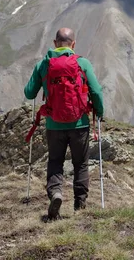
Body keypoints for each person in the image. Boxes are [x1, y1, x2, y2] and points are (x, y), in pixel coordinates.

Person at [24, 27, 104, 219]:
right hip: (79, 124)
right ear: (73, 45)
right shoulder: (82, 63)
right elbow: (96, 91)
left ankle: (56, 193)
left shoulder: (44, 64)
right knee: (80, 164)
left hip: (54, 124)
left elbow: (29, 93)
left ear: (54, 43)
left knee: (55, 161)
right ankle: (80, 205)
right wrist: (99, 112)